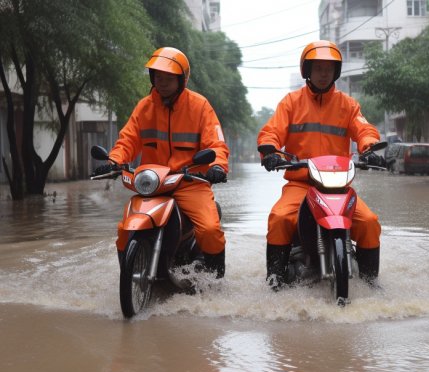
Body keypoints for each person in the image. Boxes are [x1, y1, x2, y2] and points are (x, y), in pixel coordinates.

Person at [257, 40, 385, 290]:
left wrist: (369, 147)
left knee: (369, 222)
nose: (324, 73)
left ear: (336, 72)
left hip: (339, 187)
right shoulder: (291, 103)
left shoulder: (348, 105)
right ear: (307, 70)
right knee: (279, 218)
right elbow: (271, 132)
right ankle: (275, 283)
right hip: (301, 183)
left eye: (329, 69)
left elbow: (364, 129)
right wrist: (270, 152)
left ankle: (371, 284)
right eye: (318, 68)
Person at [93, 47, 229, 277]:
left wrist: (217, 166)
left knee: (209, 228)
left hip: (189, 181)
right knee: (124, 228)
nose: (162, 82)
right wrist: (115, 161)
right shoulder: (144, 107)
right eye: (158, 77)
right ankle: (130, 272)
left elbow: (216, 143)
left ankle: (215, 279)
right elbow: (127, 140)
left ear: (181, 79)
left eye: (168, 78)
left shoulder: (200, 106)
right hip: (152, 183)